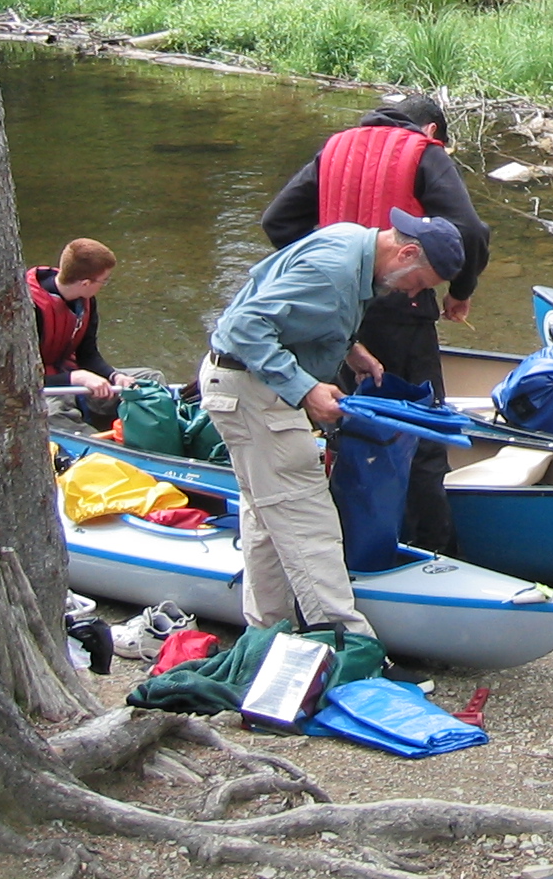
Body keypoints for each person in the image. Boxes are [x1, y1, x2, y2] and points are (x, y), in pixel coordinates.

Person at [199, 210, 465, 639]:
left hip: (245, 385)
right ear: (407, 252)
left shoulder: (351, 241)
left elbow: (298, 314)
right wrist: (305, 388)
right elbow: (241, 326)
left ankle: (270, 632)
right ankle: (346, 643)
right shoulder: (332, 270)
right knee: (311, 521)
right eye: (418, 283)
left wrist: (349, 348)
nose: (413, 294)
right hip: (251, 390)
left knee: (266, 518)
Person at [261, 92, 490, 553]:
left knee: (352, 426)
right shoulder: (424, 153)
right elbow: (471, 230)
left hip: (343, 316)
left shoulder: (335, 148)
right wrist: (459, 291)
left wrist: (318, 273)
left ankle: (356, 541)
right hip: (401, 314)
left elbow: (277, 221)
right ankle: (436, 550)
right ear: (431, 131)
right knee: (423, 431)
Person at [29, 237, 133, 426]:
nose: (104, 285)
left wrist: (114, 376)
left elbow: (88, 354)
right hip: (42, 386)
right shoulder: (28, 310)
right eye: (104, 281)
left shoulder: (86, 299)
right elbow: (22, 379)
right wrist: (76, 377)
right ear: (85, 283)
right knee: (55, 413)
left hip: (71, 373)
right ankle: (99, 447)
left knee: (151, 378)